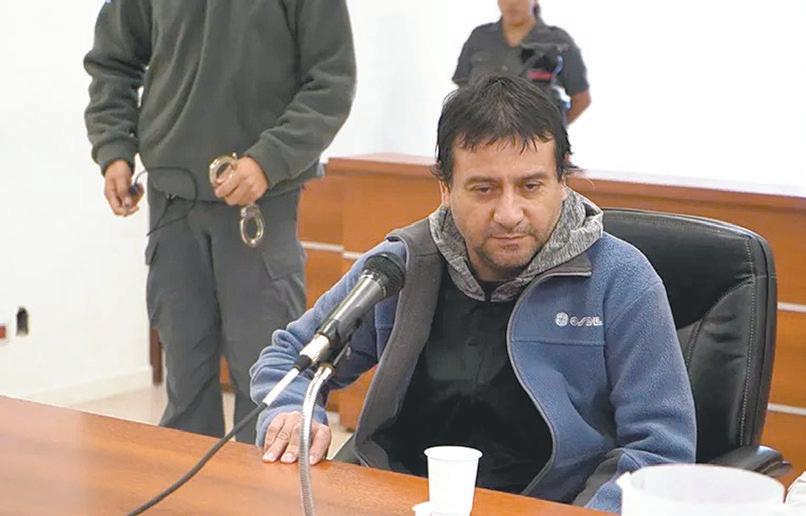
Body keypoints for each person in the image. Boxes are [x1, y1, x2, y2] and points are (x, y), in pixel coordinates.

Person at [250, 75, 695, 513]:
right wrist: (291, 411)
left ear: (563, 181)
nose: (509, 214)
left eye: (531, 186)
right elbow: (291, 357)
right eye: (484, 189)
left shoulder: (621, 280)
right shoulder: (401, 266)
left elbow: (660, 450)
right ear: (445, 189)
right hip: (403, 501)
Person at [84, 0, 356, 443]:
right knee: (185, 382)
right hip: (173, 204)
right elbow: (113, 60)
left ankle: (260, 488)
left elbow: (331, 82)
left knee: (267, 385)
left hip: (260, 206)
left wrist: (268, 160)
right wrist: (114, 148)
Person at [453, 0, 591, 124]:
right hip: (482, 135)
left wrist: (553, 133)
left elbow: (581, 99)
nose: (512, 3)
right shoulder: (479, 37)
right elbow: (463, 91)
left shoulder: (558, 42)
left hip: (536, 138)